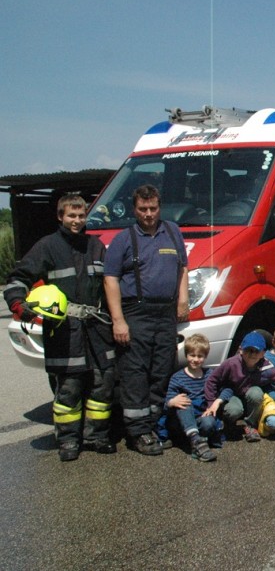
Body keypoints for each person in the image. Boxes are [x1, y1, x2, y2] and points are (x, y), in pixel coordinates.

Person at [4, 193, 116, 461]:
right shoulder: (47, 246)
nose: (77, 221)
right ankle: (68, 440)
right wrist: (18, 304)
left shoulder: (97, 246)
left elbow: (111, 286)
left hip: (98, 330)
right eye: (71, 216)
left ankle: (96, 436)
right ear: (60, 217)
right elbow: (18, 277)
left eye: (81, 215)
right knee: (69, 389)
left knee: (102, 386)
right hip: (65, 331)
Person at [103, 184, 189, 456]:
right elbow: (110, 279)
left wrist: (183, 299)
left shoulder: (172, 232)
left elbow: (183, 267)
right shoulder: (124, 239)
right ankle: (138, 432)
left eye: (153, 208)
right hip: (136, 314)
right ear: (135, 209)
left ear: (159, 207)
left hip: (165, 314)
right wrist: (118, 320)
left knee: (162, 370)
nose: (149, 214)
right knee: (135, 374)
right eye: (143, 209)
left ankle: (154, 425)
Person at [204, 331, 275, 442]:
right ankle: (229, 423)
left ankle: (250, 425)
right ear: (241, 350)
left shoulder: (267, 367)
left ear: (263, 353)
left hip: (251, 398)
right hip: (233, 395)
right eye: (248, 350)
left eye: (256, 351)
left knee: (256, 392)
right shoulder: (231, 363)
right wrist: (210, 403)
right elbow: (212, 380)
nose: (252, 354)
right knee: (233, 410)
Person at [163, 334, 218, 461]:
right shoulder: (177, 377)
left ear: (205, 357)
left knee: (209, 422)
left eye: (200, 356)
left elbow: (224, 387)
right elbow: (167, 402)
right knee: (183, 401)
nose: (195, 359)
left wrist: (216, 403)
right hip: (181, 418)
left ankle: (196, 442)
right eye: (192, 355)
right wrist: (172, 401)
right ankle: (196, 441)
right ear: (186, 355)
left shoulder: (210, 374)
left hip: (200, 415)